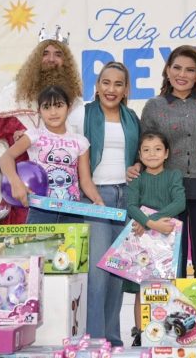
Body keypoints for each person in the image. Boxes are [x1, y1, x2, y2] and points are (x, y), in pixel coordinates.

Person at [135, 45, 196, 278]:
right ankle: (174, 314)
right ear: (167, 70)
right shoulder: (154, 106)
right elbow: (144, 146)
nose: (182, 75)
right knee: (170, 261)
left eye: (190, 70)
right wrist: (137, 166)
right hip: (167, 192)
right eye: (177, 68)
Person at [0, 28, 83, 224]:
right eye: (45, 53)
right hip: (19, 184)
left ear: (65, 62)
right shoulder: (13, 94)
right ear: (36, 60)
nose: (51, 59)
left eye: (58, 54)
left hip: (61, 190)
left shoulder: (74, 100)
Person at [77, 61, 141, 346]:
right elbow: (61, 140)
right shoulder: (82, 114)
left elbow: (140, 154)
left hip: (126, 197)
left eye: (118, 84)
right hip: (95, 196)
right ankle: (93, 340)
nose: (111, 89)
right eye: (106, 82)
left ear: (126, 89)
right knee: (97, 274)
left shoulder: (132, 118)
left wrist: (136, 166)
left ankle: (113, 340)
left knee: (117, 271)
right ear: (97, 85)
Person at [0, 85, 103, 218]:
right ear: (39, 111)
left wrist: (97, 200)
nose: (53, 112)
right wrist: (16, 183)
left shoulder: (81, 142)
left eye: (58, 106)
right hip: (40, 211)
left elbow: (86, 181)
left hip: (72, 213)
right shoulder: (33, 135)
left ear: (69, 107)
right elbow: (6, 157)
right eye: (47, 107)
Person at [127, 131, 186, 345]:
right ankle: (139, 334)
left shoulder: (173, 175)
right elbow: (131, 205)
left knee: (168, 285)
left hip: (169, 238)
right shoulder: (136, 179)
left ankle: (168, 334)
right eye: (146, 150)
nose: (152, 154)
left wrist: (149, 219)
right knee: (141, 288)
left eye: (158, 149)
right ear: (140, 156)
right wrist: (149, 223)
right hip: (142, 241)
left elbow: (179, 203)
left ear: (167, 153)